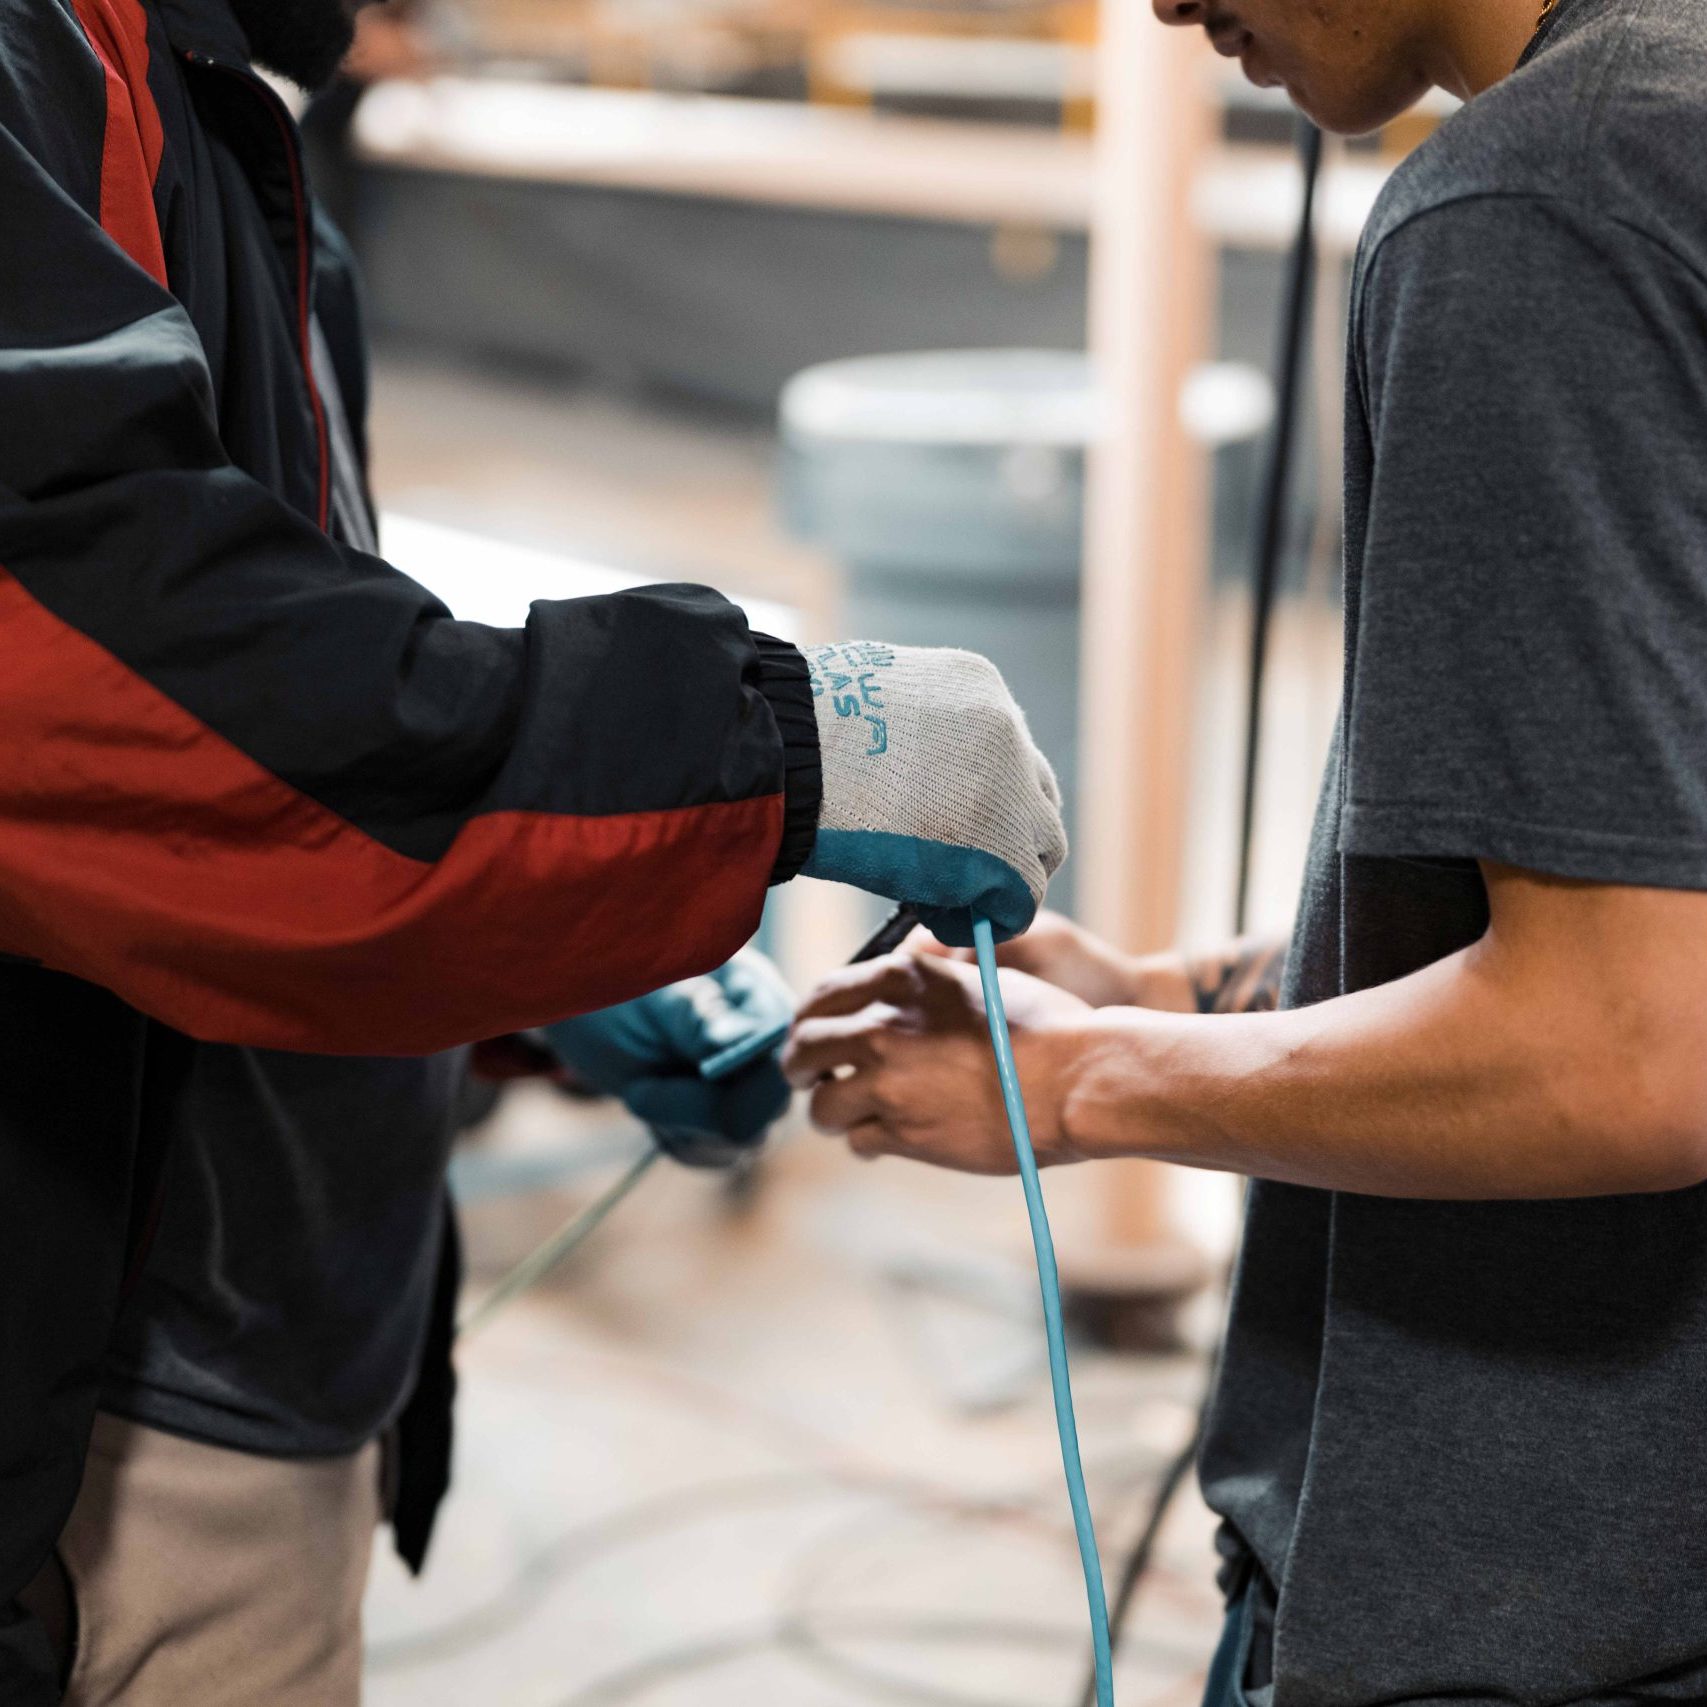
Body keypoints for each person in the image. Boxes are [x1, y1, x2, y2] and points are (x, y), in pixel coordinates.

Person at [0, 2, 1068, 1701]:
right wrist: (770, 750)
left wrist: (541, 964)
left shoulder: (202, 100)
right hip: (110, 1421)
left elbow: (302, 698)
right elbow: (126, 691)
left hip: (268, 1342)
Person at [786, 1, 1707, 1702]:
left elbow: (1632, 1041)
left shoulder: (1540, 208)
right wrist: (1181, 993)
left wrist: (1086, 1081)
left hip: (1548, 1621)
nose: (1161, 2)